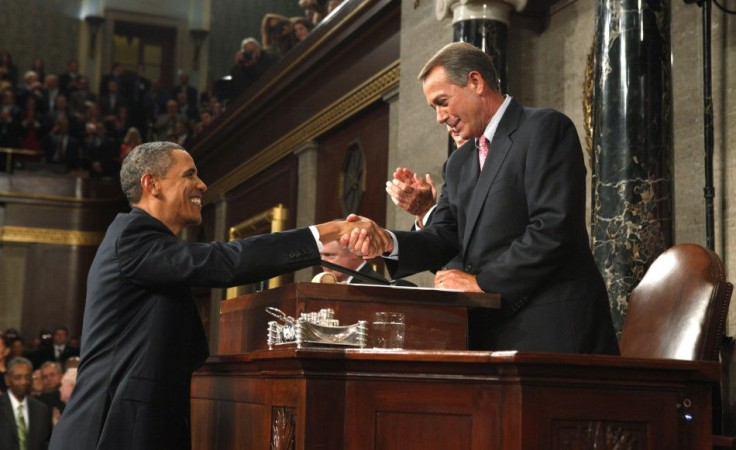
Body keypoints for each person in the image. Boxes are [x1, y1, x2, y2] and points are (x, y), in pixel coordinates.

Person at [49, 141, 381, 450]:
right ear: (152, 184)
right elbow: (225, 262)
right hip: (109, 431)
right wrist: (327, 232)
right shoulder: (133, 236)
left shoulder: (148, 243)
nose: (203, 185)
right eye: (189, 175)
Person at [343, 42, 618, 355]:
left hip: (554, 331)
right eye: (433, 109)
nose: (439, 118)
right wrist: (388, 243)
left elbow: (553, 228)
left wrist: (482, 284)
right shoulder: (459, 164)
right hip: (489, 335)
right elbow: (443, 238)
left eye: (442, 102)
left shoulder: (543, 129)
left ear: (475, 82)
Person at [0, 357, 53, 450]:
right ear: (7, 380)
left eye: (27, 377)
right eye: (18, 377)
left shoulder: (41, 409)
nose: (24, 382)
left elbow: (44, 443)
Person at [319, 241, 388, 284]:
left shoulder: (373, 286)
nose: (322, 261)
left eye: (329, 255)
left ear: (354, 253)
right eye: (320, 256)